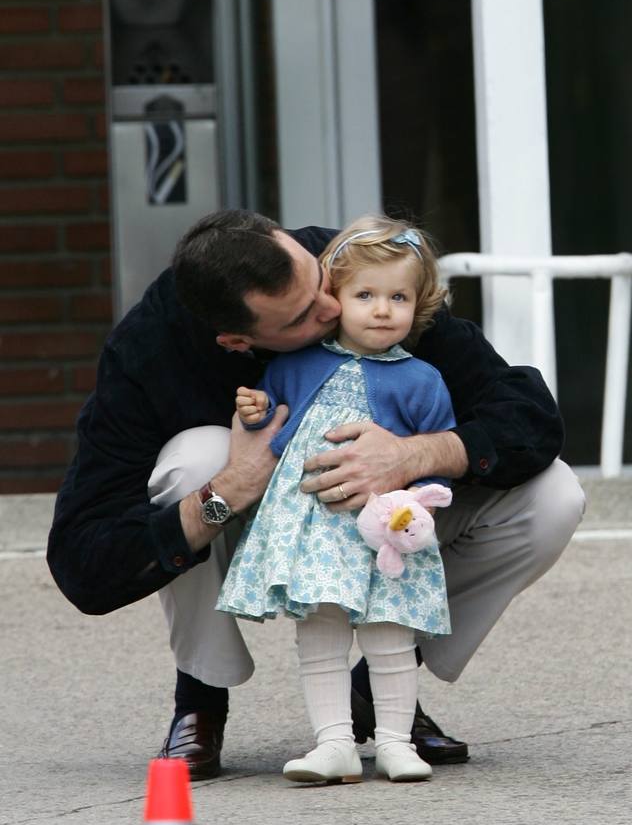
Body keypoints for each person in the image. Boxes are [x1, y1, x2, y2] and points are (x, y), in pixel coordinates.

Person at [46, 209, 585, 781]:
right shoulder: (149, 351)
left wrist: (414, 454)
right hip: (256, 519)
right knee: (196, 457)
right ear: (238, 341)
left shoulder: (360, 270)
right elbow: (84, 563)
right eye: (304, 315)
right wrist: (229, 490)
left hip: (386, 518)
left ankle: (374, 693)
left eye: (319, 281)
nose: (333, 308)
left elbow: (528, 415)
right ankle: (201, 699)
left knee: (554, 495)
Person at [216, 216, 456, 783]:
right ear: (335, 297)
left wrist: (417, 506)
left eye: (397, 296)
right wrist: (254, 408)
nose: (381, 309)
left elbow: (438, 453)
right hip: (314, 530)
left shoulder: (422, 380)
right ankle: (333, 745)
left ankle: (397, 742)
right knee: (320, 631)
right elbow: (272, 427)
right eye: (365, 295)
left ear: (417, 304)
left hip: (382, 533)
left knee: (390, 634)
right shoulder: (294, 364)